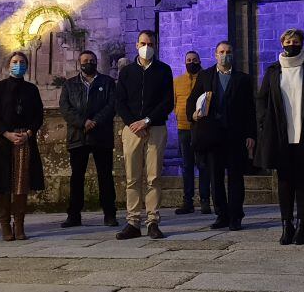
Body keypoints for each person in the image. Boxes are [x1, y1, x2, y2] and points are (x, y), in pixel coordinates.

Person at [254, 29, 304, 245]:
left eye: (295, 41)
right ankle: (286, 225)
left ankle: (302, 226)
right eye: (288, 41)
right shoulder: (272, 71)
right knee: (285, 181)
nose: (291, 44)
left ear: (301, 44)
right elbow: (262, 99)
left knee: (303, 181)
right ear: (282, 44)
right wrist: (263, 123)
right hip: (280, 134)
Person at [187, 41, 256, 231]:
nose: (225, 55)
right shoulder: (205, 75)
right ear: (215, 55)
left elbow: (250, 109)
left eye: (228, 51)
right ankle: (221, 214)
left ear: (233, 54)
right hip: (212, 135)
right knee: (215, 177)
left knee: (235, 177)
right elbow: (192, 101)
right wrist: (193, 115)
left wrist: (251, 134)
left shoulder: (243, 79)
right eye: (221, 52)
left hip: (236, 135)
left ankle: (236, 216)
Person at [115, 30, 175, 240]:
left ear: (155, 45)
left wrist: (147, 121)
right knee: (132, 177)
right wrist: (133, 123)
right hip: (132, 130)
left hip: (155, 127)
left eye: (150, 43)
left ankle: (152, 221)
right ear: (136, 45)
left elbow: (168, 102)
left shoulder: (163, 70)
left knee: (154, 177)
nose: (146, 47)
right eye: (143, 43)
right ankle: (132, 221)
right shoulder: (127, 72)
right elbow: (119, 101)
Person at [0, 52, 46, 241]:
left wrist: (28, 134)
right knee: (3, 182)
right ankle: (4, 224)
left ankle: (19, 224)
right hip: (4, 139)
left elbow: (38, 116)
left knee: (21, 182)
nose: (18, 65)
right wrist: (7, 133)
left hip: (24, 140)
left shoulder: (31, 90)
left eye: (22, 62)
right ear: (9, 65)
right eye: (15, 62)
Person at [59, 50, 119, 228]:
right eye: (85, 61)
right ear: (79, 63)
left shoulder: (107, 82)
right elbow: (65, 108)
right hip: (78, 136)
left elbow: (112, 105)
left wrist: (96, 122)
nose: (89, 63)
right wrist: (83, 122)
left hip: (101, 136)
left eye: (92, 60)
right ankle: (74, 215)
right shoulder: (69, 85)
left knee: (105, 176)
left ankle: (109, 214)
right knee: (77, 177)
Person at [173, 51, 211, 215]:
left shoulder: (206, 78)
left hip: (201, 129)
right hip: (183, 128)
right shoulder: (178, 81)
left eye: (194, 60)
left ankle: (204, 201)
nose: (191, 62)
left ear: (199, 61)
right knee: (187, 166)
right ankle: (187, 201)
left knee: (202, 165)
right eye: (188, 60)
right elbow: (174, 102)